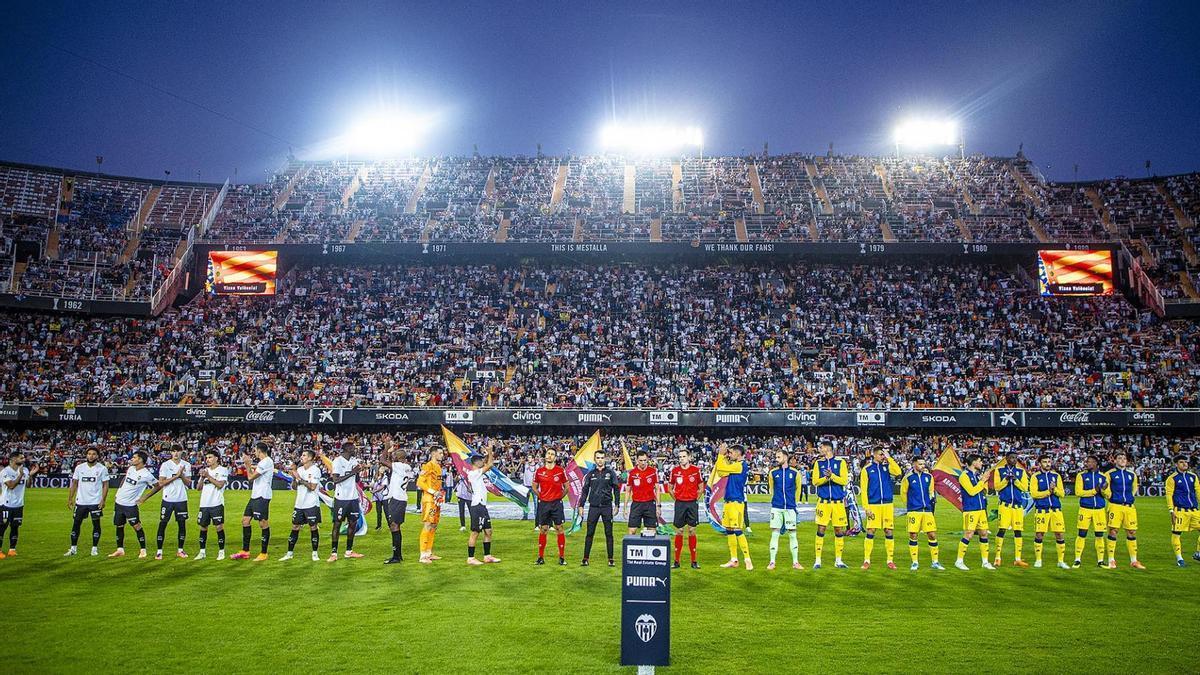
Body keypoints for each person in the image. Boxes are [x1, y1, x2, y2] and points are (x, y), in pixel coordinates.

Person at [859, 446, 902, 570]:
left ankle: (890, 560)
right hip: (874, 505)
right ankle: (867, 560)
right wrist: (866, 508)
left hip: (887, 505)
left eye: (883, 455)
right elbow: (864, 490)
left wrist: (889, 458)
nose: (882, 456)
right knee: (871, 530)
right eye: (880, 454)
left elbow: (898, 472)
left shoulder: (887, 467)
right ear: (874, 455)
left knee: (888, 531)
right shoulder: (867, 470)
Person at [109, 450, 158, 559]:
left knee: (136, 526)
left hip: (130, 505)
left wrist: (144, 498)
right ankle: (120, 550)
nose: (132, 459)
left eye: (134, 457)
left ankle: (143, 550)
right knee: (119, 525)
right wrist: (119, 491)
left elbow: (158, 486)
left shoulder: (146, 474)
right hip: (119, 502)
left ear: (140, 460)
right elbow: (124, 480)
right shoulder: (131, 469)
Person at [578, 448, 621, 567]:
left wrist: (617, 505)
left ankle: (611, 559)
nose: (600, 460)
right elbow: (585, 491)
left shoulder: (610, 473)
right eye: (598, 458)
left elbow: (616, 489)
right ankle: (585, 558)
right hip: (594, 507)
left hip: (607, 507)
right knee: (590, 533)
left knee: (609, 533)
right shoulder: (590, 474)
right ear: (594, 459)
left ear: (605, 459)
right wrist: (581, 505)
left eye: (602, 458)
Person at [232, 441, 274, 561]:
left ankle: (264, 553)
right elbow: (257, 471)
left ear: (259, 451)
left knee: (263, 523)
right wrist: (251, 465)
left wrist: (247, 464)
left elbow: (250, 478)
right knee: (245, 520)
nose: (254, 452)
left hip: (262, 496)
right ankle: (245, 551)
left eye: (255, 450)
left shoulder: (266, 461)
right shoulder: (264, 462)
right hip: (255, 495)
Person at [955, 454, 998, 571]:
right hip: (971, 509)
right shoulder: (964, 476)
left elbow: (983, 491)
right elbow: (972, 491)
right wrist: (983, 480)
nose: (981, 463)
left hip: (981, 509)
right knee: (968, 534)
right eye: (979, 461)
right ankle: (959, 561)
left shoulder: (977, 475)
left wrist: (984, 482)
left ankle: (985, 562)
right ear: (973, 462)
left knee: (984, 533)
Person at [900, 455, 943, 571]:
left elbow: (930, 492)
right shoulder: (908, 478)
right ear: (914, 464)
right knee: (913, 535)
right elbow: (903, 493)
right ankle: (914, 562)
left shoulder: (929, 477)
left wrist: (929, 503)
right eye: (920, 464)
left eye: (923, 464)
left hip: (927, 511)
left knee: (932, 534)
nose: (922, 466)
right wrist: (910, 505)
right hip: (914, 511)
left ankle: (935, 562)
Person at [713, 444, 752, 570]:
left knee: (737, 530)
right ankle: (734, 559)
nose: (730, 454)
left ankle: (747, 559)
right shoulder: (734, 466)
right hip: (729, 501)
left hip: (736, 502)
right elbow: (720, 471)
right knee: (729, 530)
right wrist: (723, 458)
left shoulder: (740, 465)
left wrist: (720, 455)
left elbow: (721, 467)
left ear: (738, 453)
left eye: (731, 452)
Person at [66, 445, 109, 557]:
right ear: (86, 455)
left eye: (94, 454)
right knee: (76, 524)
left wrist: (103, 500)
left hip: (95, 502)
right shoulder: (79, 468)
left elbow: (105, 485)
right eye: (89, 454)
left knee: (96, 524)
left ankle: (94, 548)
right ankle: (73, 548)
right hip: (81, 502)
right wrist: (70, 498)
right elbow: (74, 483)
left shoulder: (102, 469)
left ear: (98, 456)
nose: (91, 456)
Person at [811, 441, 849, 569]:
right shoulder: (818, 463)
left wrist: (832, 476)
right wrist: (826, 478)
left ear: (827, 448)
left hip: (838, 503)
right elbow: (815, 482)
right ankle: (817, 560)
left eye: (821, 447)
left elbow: (844, 480)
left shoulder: (840, 462)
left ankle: (838, 560)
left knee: (839, 530)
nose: (819, 449)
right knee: (821, 529)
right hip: (823, 502)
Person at [1103, 451, 1143, 569]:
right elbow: (1105, 488)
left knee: (1132, 532)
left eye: (1124, 458)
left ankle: (1134, 561)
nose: (1122, 460)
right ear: (1115, 460)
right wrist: (1110, 496)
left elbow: (1135, 487)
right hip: (1115, 506)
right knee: (1113, 531)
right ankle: (1111, 560)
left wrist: (1131, 496)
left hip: (1129, 507)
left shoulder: (1132, 474)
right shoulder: (1109, 474)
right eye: (1119, 458)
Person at [1029, 455, 1070, 569]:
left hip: (1056, 510)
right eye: (1044, 462)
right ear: (1040, 463)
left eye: (1049, 461)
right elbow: (1034, 494)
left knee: (1060, 534)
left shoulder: (1056, 476)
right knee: (1039, 534)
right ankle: (1038, 560)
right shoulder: (1035, 477)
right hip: (1042, 510)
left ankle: (1061, 561)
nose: (1047, 464)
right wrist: (1048, 491)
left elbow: (1062, 494)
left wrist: (1054, 490)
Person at [154, 443, 192, 561]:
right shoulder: (165, 465)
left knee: (182, 524)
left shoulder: (186, 465)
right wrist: (176, 476)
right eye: (173, 451)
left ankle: (180, 550)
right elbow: (161, 483)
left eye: (178, 451)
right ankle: (159, 551)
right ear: (171, 452)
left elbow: (189, 483)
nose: (176, 453)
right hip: (168, 499)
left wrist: (182, 476)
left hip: (181, 499)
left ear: (182, 452)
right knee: (163, 523)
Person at [283, 449, 323, 562]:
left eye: (304, 455)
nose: (301, 457)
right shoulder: (299, 469)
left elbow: (312, 487)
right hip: (299, 504)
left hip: (311, 504)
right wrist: (294, 478)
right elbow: (295, 487)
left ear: (310, 458)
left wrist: (299, 478)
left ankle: (315, 553)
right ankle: (289, 553)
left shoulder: (315, 470)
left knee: (313, 527)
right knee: (295, 527)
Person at [466, 444, 502, 566]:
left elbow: (486, 462)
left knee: (488, 531)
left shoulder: (476, 472)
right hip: (478, 506)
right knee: (475, 532)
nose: (483, 461)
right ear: (477, 463)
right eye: (481, 460)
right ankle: (470, 558)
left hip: (482, 506)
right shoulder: (473, 473)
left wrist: (487, 454)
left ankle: (487, 556)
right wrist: (490, 451)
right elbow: (490, 465)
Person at [328, 442, 364, 562]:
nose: (355, 449)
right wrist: (352, 472)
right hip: (341, 498)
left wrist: (358, 472)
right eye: (353, 448)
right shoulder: (338, 461)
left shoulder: (354, 460)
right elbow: (336, 480)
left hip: (353, 497)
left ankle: (349, 551)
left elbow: (356, 479)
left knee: (353, 523)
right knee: (337, 524)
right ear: (347, 449)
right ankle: (334, 553)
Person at [994, 451, 1029, 568]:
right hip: (1005, 506)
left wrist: (1015, 480)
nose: (1014, 460)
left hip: (1018, 507)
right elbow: (997, 487)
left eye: (1015, 458)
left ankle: (1018, 559)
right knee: (1002, 530)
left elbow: (1025, 488)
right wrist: (1006, 480)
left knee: (1018, 531)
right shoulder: (999, 471)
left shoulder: (1021, 472)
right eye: (1011, 457)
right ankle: (997, 557)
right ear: (1006, 458)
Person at [668, 448, 702, 569]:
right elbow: (670, 488)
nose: (681, 459)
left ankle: (694, 561)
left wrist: (695, 499)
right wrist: (677, 499)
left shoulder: (696, 470)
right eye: (680, 457)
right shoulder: (675, 471)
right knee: (679, 531)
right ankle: (676, 561)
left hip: (692, 504)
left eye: (683, 456)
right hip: (680, 504)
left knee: (692, 530)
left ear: (689, 457)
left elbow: (701, 487)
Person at [767, 449, 801, 570]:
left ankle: (795, 562)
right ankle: (772, 562)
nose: (777, 459)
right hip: (776, 507)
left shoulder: (795, 473)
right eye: (776, 457)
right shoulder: (772, 473)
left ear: (785, 458)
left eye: (779, 457)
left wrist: (794, 504)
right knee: (775, 534)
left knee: (792, 534)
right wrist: (775, 501)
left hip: (790, 508)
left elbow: (798, 489)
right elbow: (771, 489)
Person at [534, 448, 569, 565]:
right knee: (543, 529)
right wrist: (542, 496)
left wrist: (558, 497)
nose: (550, 456)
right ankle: (540, 557)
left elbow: (566, 487)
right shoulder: (539, 471)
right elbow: (534, 487)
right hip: (544, 504)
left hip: (556, 504)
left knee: (559, 528)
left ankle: (562, 557)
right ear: (545, 456)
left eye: (552, 454)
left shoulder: (560, 471)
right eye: (548, 454)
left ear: (555, 457)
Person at [0, 451, 38, 558]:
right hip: (5, 505)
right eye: (21, 458)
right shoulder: (5, 472)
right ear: (13, 459)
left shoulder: (25, 470)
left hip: (19, 505)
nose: (23, 459)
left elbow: (29, 486)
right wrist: (20, 475)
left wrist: (30, 475)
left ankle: (12, 549)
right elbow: (11, 485)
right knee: (2, 528)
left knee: (15, 527)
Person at [1073, 455, 1108, 568]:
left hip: (1099, 510)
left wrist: (1102, 491)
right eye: (1087, 462)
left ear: (1096, 463)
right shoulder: (1081, 476)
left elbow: (1107, 495)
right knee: (1082, 534)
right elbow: (1078, 492)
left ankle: (1100, 561)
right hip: (1085, 509)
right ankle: (1077, 559)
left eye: (1091, 462)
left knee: (1099, 535)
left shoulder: (1103, 477)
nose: (1088, 464)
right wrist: (1094, 491)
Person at [381, 444, 414, 564]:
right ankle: (398, 555)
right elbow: (389, 462)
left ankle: (396, 556)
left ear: (398, 457)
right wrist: (390, 453)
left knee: (394, 526)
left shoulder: (399, 466)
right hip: (401, 498)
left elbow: (382, 460)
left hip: (396, 499)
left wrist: (386, 447)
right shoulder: (405, 467)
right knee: (395, 527)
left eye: (395, 455)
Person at [1165, 455, 1200, 567]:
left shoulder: (1193, 476)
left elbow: (1198, 492)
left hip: (1194, 510)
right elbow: (1169, 495)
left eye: (1186, 462)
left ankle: (1198, 553)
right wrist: (1171, 510)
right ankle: (1179, 559)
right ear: (1176, 464)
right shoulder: (1172, 478)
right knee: (1177, 533)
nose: (1185, 464)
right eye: (1181, 462)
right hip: (1180, 510)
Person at [195, 449, 229, 561]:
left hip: (216, 503)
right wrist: (202, 477)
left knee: (219, 527)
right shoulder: (205, 471)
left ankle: (221, 551)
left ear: (216, 458)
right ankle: (202, 552)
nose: (207, 459)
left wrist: (208, 476)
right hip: (204, 504)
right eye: (207, 457)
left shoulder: (223, 470)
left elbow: (220, 485)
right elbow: (198, 488)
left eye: (210, 457)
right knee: (203, 527)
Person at [416, 447, 445, 564]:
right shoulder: (428, 465)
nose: (443, 455)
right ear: (434, 454)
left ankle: (428, 552)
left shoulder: (438, 466)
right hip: (429, 500)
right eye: (440, 453)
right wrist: (433, 492)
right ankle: (422, 555)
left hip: (436, 500)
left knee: (434, 525)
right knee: (428, 525)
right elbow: (419, 482)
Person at [625, 449, 660, 537]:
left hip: (650, 504)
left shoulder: (653, 471)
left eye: (645, 460)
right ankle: (632, 549)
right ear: (637, 460)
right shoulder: (632, 473)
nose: (643, 462)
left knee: (652, 531)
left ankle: (649, 550)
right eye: (641, 460)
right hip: (636, 504)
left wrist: (658, 506)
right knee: (632, 531)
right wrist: (625, 507)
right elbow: (628, 491)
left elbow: (657, 489)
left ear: (647, 459)